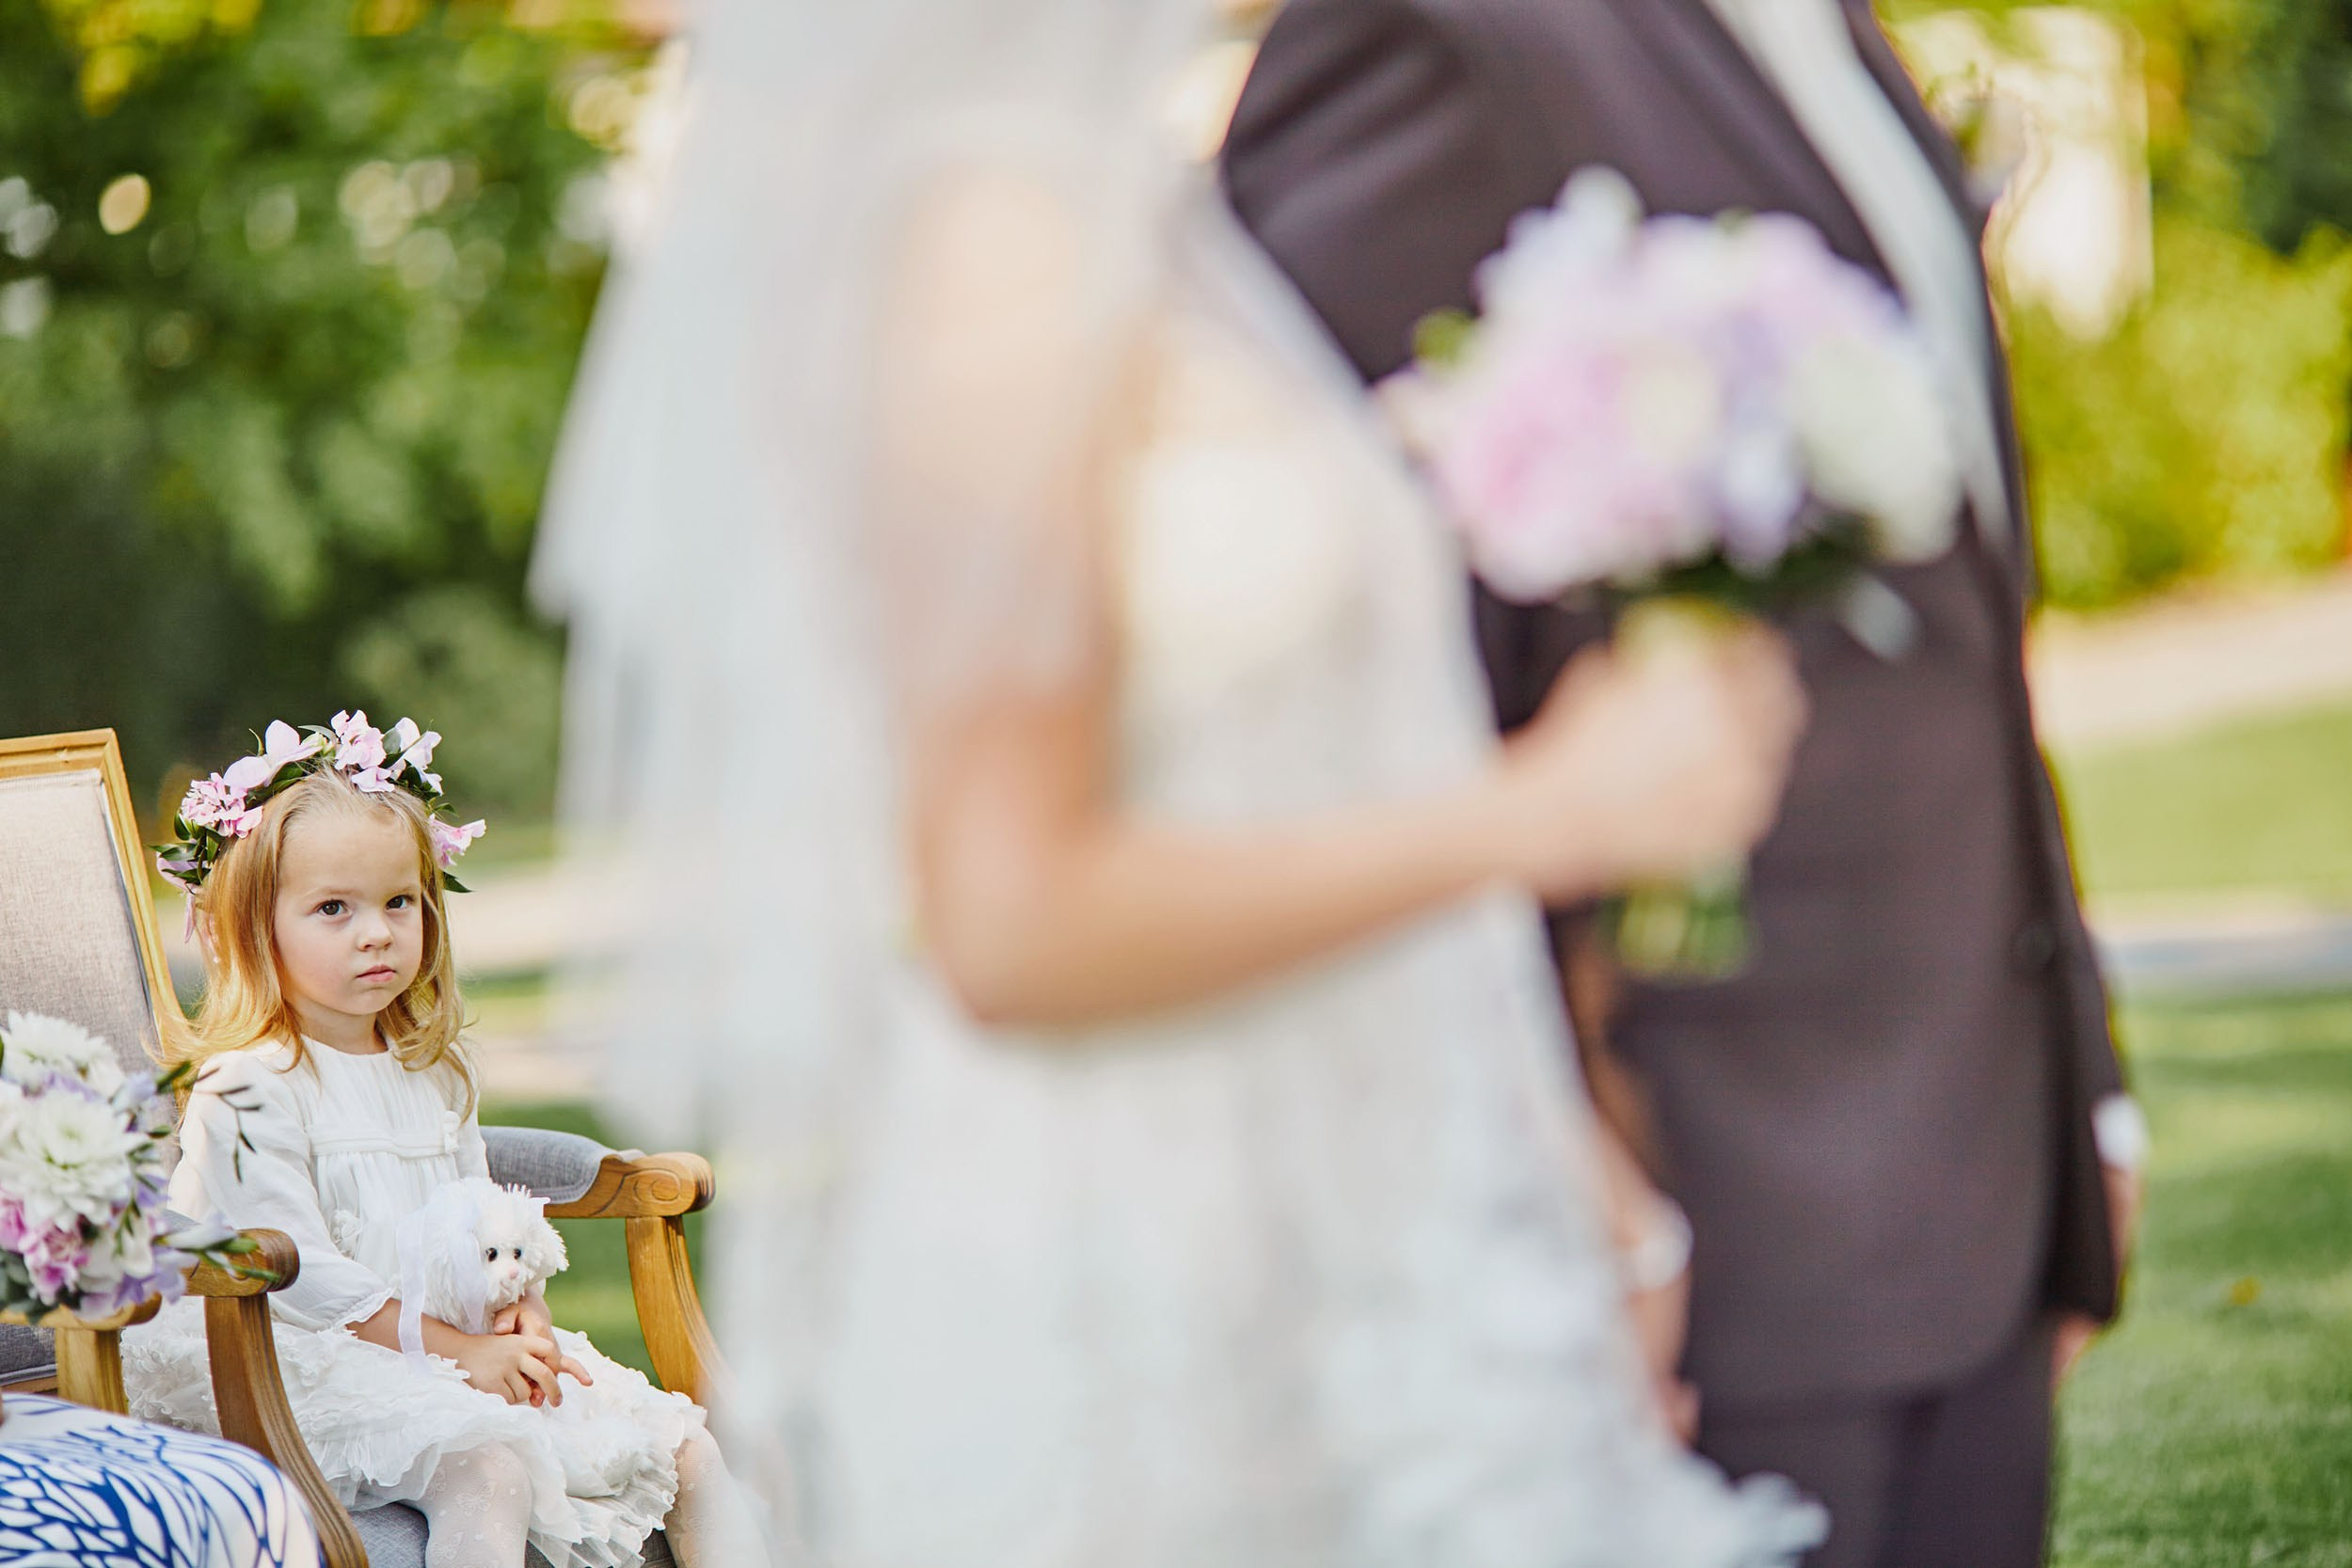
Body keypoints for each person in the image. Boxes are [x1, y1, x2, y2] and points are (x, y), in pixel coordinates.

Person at [534, 0, 1822, 1563]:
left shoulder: (1128, 215)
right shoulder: (982, 246)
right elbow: (1005, 919)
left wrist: (1572, 1197)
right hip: (1143, 1296)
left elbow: (1293, 776)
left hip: (1372, 1249)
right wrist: (1544, 811)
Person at [1220, 2, 2145, 1563]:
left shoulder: (1827, 28)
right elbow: (1293, 658)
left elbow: (1952, 627)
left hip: (1976, 1176)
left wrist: (2080, 1097)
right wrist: (1579, 1178)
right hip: (1695, 1234)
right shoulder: (1426, 36)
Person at [124, 717, 770, 1568]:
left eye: (399, 902)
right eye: (332, 908)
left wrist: (517, 1311)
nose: (376, 932)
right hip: (294, 1360)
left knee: (688, 1448)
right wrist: (462, 1349)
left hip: (449, 1346)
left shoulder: (433, 1067)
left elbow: (483, 1219)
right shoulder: (250, 1086)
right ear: (255, 928)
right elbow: (297, 1277)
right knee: (488, 1467)